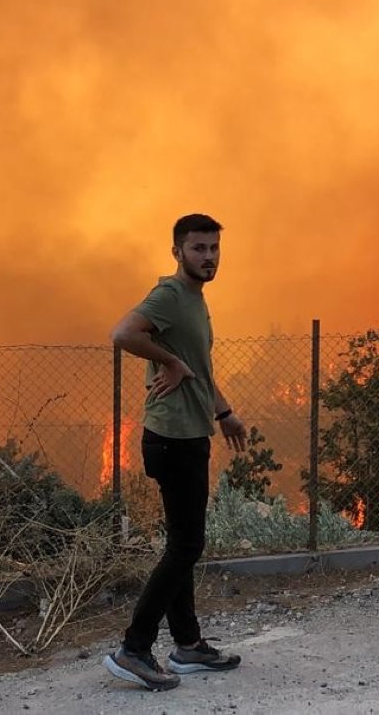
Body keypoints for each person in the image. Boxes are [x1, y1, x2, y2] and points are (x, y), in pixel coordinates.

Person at [103, 213, 248, 692]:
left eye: (213, 249)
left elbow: (200, 370)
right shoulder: (169, 294)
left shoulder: (195, 300)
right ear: (177, 252)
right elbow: (123, 334)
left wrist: (224, 412)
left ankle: (187, 645)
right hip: (172, 439)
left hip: (190, 432)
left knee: (181, 545)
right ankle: (134, 648)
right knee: (187, 546)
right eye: (198, 249)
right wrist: (169, 360)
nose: (208, 257)